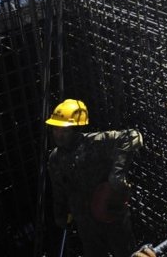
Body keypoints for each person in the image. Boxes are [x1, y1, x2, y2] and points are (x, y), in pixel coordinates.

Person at [46, 99, 143, 257]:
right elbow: (59, 190)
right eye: (55, 129)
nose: (58, 135)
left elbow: (133, 136)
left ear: (76, 129)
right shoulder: (55, 159)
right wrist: (61, 215)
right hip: (86, 223)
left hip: (110, 214)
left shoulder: (95, 142)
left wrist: (117, 174)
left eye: (64, 131)